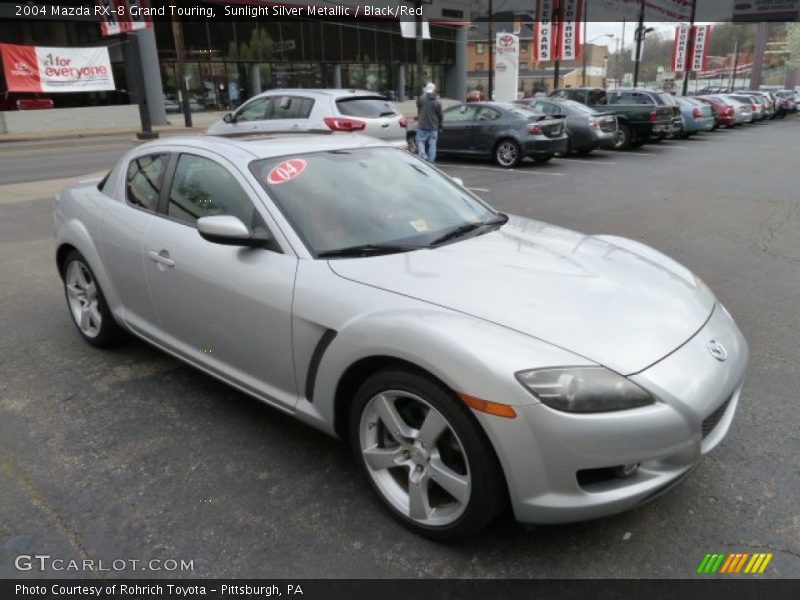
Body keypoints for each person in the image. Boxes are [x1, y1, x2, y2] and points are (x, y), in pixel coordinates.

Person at [416, 82, 443, 162]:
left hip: (422, 126)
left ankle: (423, 156)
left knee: (420, 141)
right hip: (433, 127)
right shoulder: (438, 101)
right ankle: (431, 160)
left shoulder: (421, 99)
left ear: (426, 89)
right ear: (434, 90)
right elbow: (440, 115)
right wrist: (440, 126)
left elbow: (418, 107)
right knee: (433, 144)